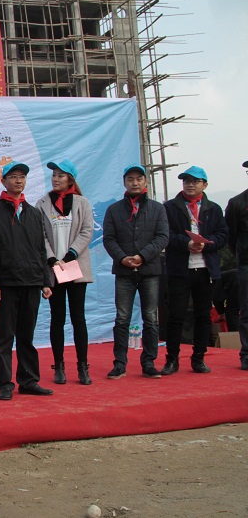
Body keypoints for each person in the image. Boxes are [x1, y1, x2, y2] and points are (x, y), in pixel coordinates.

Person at [0, 161, 53, 401]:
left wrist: (45, 281)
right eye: (13, 176)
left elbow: (41, 250)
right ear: (3, 181)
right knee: (5, 337)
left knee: (26, 337)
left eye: (22, 176)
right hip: (5, 284)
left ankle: (29, 381)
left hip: (31, 282)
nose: (18, 180)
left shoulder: (34, 213)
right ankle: (5, 384)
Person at [102, 164, 169, 379]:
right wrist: (123, 258)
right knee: (122, 318)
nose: (135, 183)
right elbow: (109, 239)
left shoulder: (157, 208)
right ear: (124, 183)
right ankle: (120, 363)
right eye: (130, 179)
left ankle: (149, 362)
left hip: (149, 270)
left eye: (139, 179)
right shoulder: (114, 210)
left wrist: (142, 256)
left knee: (151, 318)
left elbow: (162, 237)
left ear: (145, 182)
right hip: (124, 272)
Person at [161, 166, 228, 375]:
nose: (190, 185)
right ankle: (172, 359)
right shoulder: (169, 207)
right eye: (186, 181)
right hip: (179, 269)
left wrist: (206, 244)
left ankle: (199, 357)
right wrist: (186, 243)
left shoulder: (213, 208)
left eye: (195, 181)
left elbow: (223, 235)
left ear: (204, 185)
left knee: (203, 315)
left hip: (206, 269)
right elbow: (165, 234)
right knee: (176, 315)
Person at [35, 160, 94, 385]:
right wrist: (52, 259)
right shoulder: (43, 203)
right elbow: (40, 234)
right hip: (54, 269)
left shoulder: (82, 202)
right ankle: (58, 365)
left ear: (71, 179)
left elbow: (87, 231)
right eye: (54, 175)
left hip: (75, 266)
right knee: (57, 318)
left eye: (61, 175)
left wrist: (69, 256)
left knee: (78, 318)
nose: (56, 179)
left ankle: (82, 366)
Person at [225, 160, 248, 370]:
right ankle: (246, 355)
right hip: (246, 264)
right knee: (246, 310)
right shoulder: (237, 203)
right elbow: (230, 236)